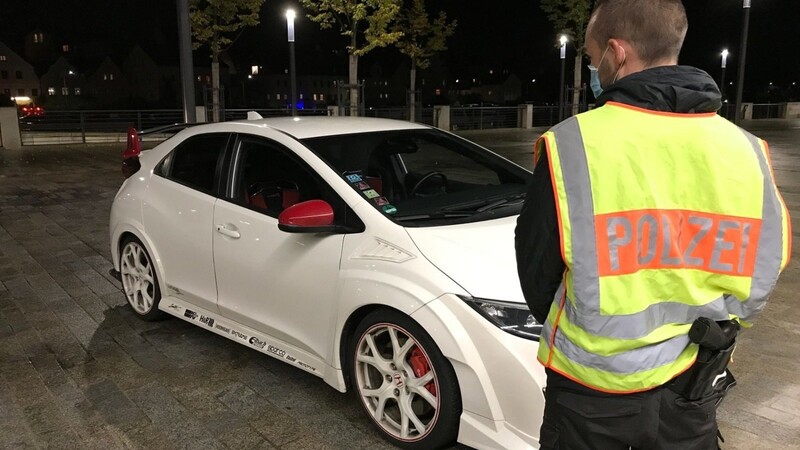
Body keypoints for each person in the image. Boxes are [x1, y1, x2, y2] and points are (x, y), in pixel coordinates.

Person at [514, 0, 792, 448]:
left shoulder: (573, 144)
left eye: (591, 57)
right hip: (695, 379)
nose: (592, 67)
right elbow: (768, 264)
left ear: (616, 53)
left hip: (594, 392)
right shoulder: (746, 148)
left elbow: (537, 271)